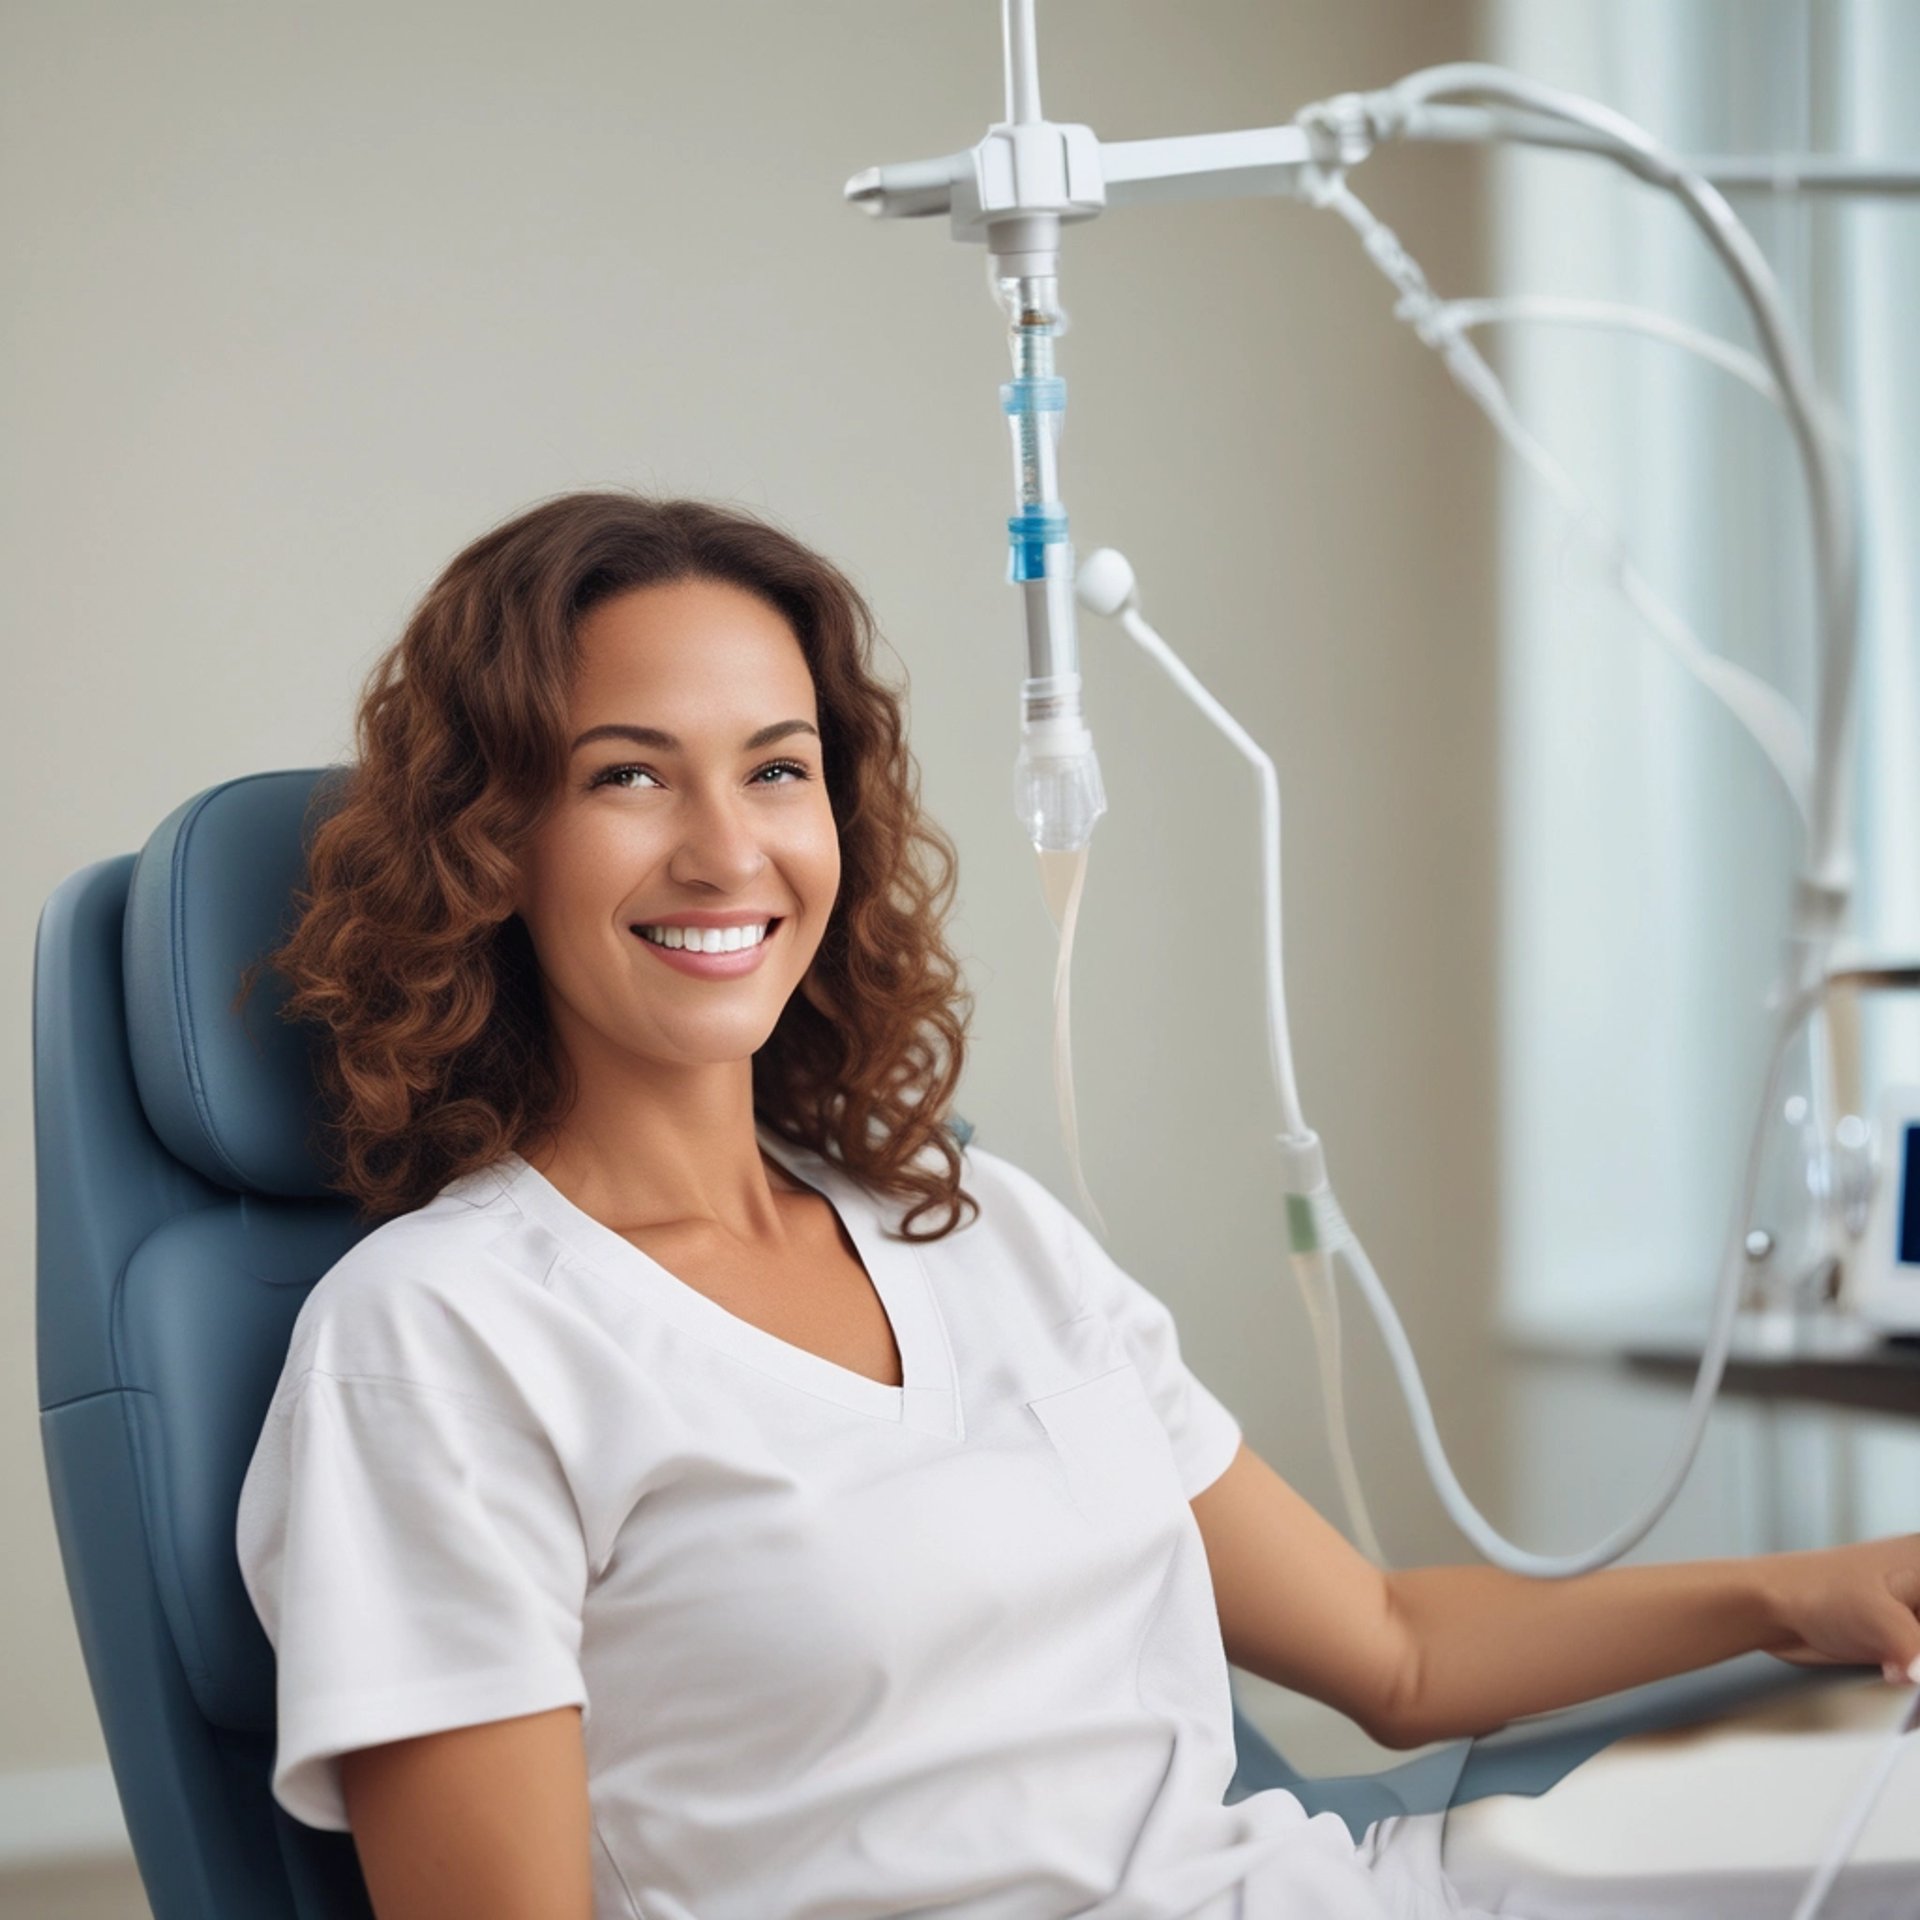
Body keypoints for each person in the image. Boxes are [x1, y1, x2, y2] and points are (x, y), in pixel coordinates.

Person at [235, 490, 1920, 1920]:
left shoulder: (978, 1230)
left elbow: (1395, 1651)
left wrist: (1807, 1589)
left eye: (776, 769)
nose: (724, 850)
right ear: (490, 839)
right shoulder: (438, 1343)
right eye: (627, 775)